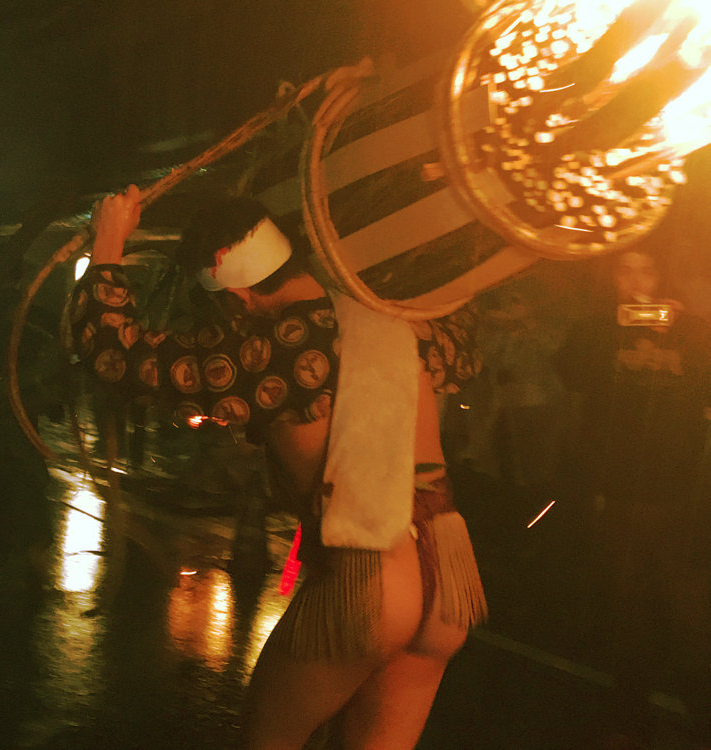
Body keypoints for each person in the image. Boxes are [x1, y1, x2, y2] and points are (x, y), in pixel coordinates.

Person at [68, 184, 487, 749]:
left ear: (238, 295)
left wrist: (109, 241)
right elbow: (466, 327)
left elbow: (117, 354)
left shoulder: (270, 348)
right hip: (448, 575)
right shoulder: (404, 321)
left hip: (374, 575)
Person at [554, 247, 711, 749]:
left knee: (688, 611)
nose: (637, 281)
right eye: (626, 270)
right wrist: (618, 348)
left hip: (681, 495)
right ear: (612, 277)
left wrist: (683, 343)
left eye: (647, 269)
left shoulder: (692, 330)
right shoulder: (596, 328)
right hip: (617, 488)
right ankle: (629, 719)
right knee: (626, 607)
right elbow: (569, 372)